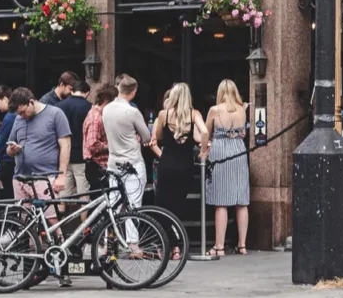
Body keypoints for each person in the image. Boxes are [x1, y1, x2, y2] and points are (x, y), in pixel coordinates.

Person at [6, 87, 72, 286]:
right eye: (18, 113)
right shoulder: (19, 119)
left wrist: (61, 175)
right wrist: (12, 149)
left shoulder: (55, 114)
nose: (22, 116)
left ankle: (62, 269)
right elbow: (10, 147)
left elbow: (65, 145)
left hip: (45, 176)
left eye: (23, 111)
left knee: (52, 222)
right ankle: (29, 271)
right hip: (21, 177)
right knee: (25, 224)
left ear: (32, 102)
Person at [202, 79, 250, 258]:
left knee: (221, 201)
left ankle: (219, 246)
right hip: (238, 150)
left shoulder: (215, 110)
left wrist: (203, 151)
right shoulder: (241, 109)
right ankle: (242, 245)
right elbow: (243, 133)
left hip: (220, 151)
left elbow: (206, 133)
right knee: (241, 200)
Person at [103, 74, 152, 248]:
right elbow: (147, 137)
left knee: (114, 203)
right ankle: (133, 243)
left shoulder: (106, 109)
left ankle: (110, 240)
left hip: (113, 162)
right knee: (133, 204)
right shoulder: (132, 111)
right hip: (132, 162)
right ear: (133, 92)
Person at [152, 83, 208, 222]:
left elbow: (158, 137)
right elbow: (205, 132)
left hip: (167, 164)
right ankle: (177, 241)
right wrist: (203, 151)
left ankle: (165, 239)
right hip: (185, 166)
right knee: (179, 202)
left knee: (163, 202)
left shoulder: (163, 115)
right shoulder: (194, 114)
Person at [55, 81, 92, 199]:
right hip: (82, 155)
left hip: (63, 155)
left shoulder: (59, 106)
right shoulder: (89, 107)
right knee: (84, 193)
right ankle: (85, 218)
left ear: (71, 91)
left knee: (63, 193)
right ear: (87, 93)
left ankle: (62, 216)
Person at [83, 84, 112, 192]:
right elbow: (92, 145)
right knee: (100, 201)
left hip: (98, 166)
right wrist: (111, 146)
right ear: (107, 101)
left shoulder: (98, 114)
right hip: (97, 166)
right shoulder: (96, 118)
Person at [0, 86, 16, 201]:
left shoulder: (9, 117)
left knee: (7, 196)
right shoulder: (13, 116)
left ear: (5, 99)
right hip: (12, 160)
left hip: (7, 161)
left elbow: (1, 142)